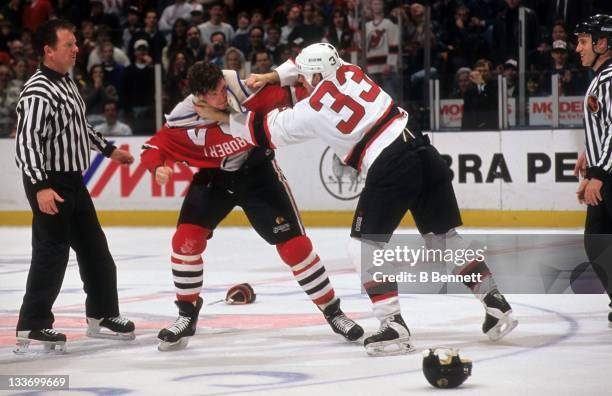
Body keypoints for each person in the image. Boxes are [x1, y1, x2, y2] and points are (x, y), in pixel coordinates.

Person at [196, 43, 518, 356]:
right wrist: (272, 77)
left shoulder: (310, 110)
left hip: (389, 163)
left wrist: (221, 117)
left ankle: (393, 325)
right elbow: (302, 64)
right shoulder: (352, 71)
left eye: (308, 78)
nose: (304, 82)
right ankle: (495, 302)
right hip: (421, 148)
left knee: (364, 245)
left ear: (316, 77)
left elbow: (263, 132)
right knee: (443, 239)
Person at [141, 61, 364, 351]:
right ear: (198, 97)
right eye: (215, 93)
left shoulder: (245, 89)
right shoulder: (183, 117)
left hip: (258, 172)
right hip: (214, 179)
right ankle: (186, 314)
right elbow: (153, 147)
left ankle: (334, 312)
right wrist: (157, 167)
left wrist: (281, 79)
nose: (223, 95)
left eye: (222, 88)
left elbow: (297, 89)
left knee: (295, 247)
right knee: (185, 241)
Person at [13, 19, 135, 354]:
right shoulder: (37, 91)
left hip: (71, 180)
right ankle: (32, 323)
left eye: (76, 43)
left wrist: (110, 151)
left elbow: (78, 128)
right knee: (51, 253)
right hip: (49, 180)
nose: (76, 49)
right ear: (48, 50)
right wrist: (40, 187)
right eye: (69, 44)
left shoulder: (66, 82)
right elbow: (26, 144)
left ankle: (103, 314)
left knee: (96, 249)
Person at [573, 14, 612, 327]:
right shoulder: (603, 77)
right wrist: (590, 153)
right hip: (604, 171)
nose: (578, 48)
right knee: (596, 240)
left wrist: (598, 173)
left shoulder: (610, 78)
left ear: (603, 43)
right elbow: (606, 127)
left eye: (584, 41)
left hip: (608, 175)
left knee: (598, 240)